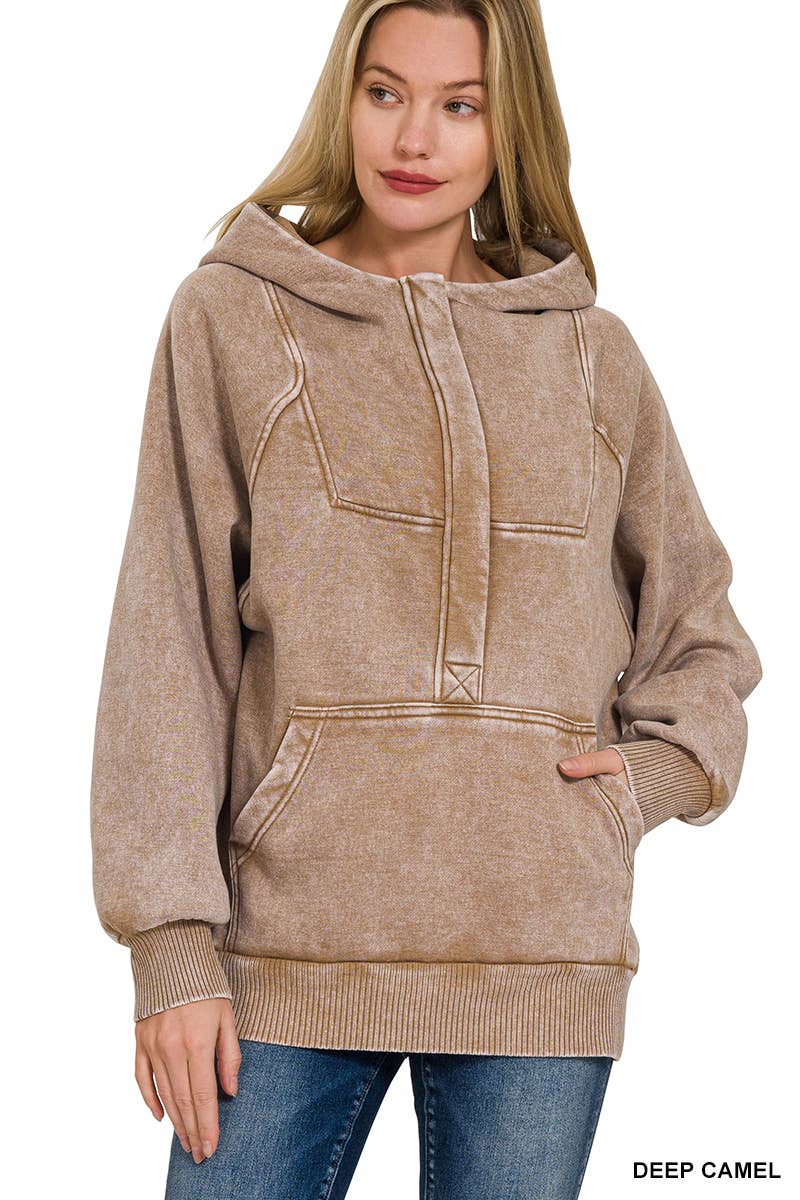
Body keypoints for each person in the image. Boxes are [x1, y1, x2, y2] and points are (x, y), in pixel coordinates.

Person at [89, 2, 763, 1197]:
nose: (414, 138)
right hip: (285, 952)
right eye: (385, 92)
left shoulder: (591, 355)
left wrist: (641, 786)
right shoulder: (231, 317)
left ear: (511, 129)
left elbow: (698, 632)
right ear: (342, 101)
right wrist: (171, 946)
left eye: (460, 106)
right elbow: (168, 637)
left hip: (538, 958)